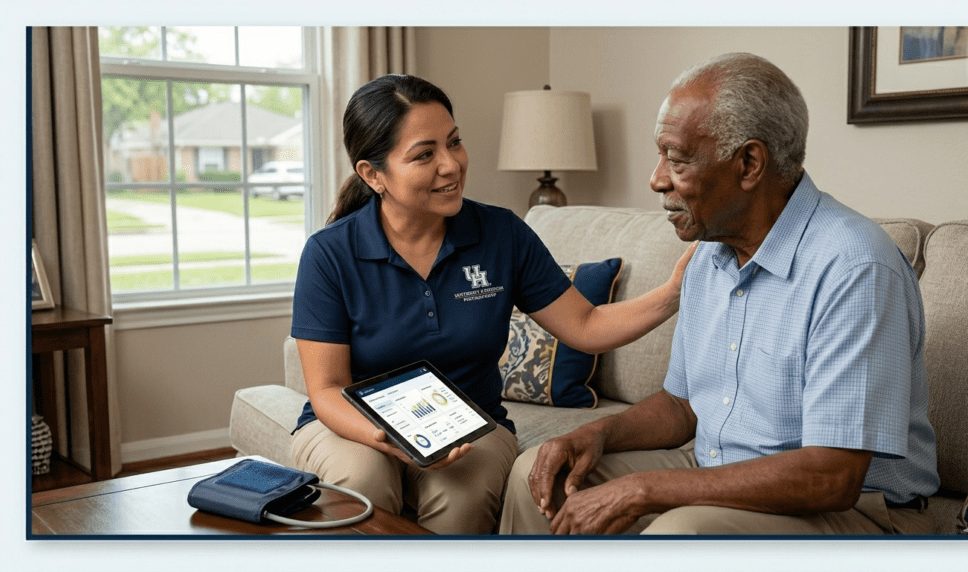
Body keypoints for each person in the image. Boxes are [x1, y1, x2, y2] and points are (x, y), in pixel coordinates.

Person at [499, 52, 940, 536]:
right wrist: (594, 433)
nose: (656, 178)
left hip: (853, 511)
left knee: (681, 533)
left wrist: (644, 489)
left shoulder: (855, 268)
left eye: (677, 158)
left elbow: (831, 476)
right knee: (536, 475)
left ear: (749, 163)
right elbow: (684, 405)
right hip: (714, 469)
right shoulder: (711, 252)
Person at [289, 74, 693, 535]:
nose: (451, 165)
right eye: (425, 154)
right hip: (354, 423)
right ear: (373, 174)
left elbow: (586, 323)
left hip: (472, 424)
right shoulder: (329, 253)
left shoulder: (501, 234)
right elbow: (327, 389)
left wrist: (674, 291)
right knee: (362, 478)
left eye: (454, 143)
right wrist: (390, 438)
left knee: (461, 492)